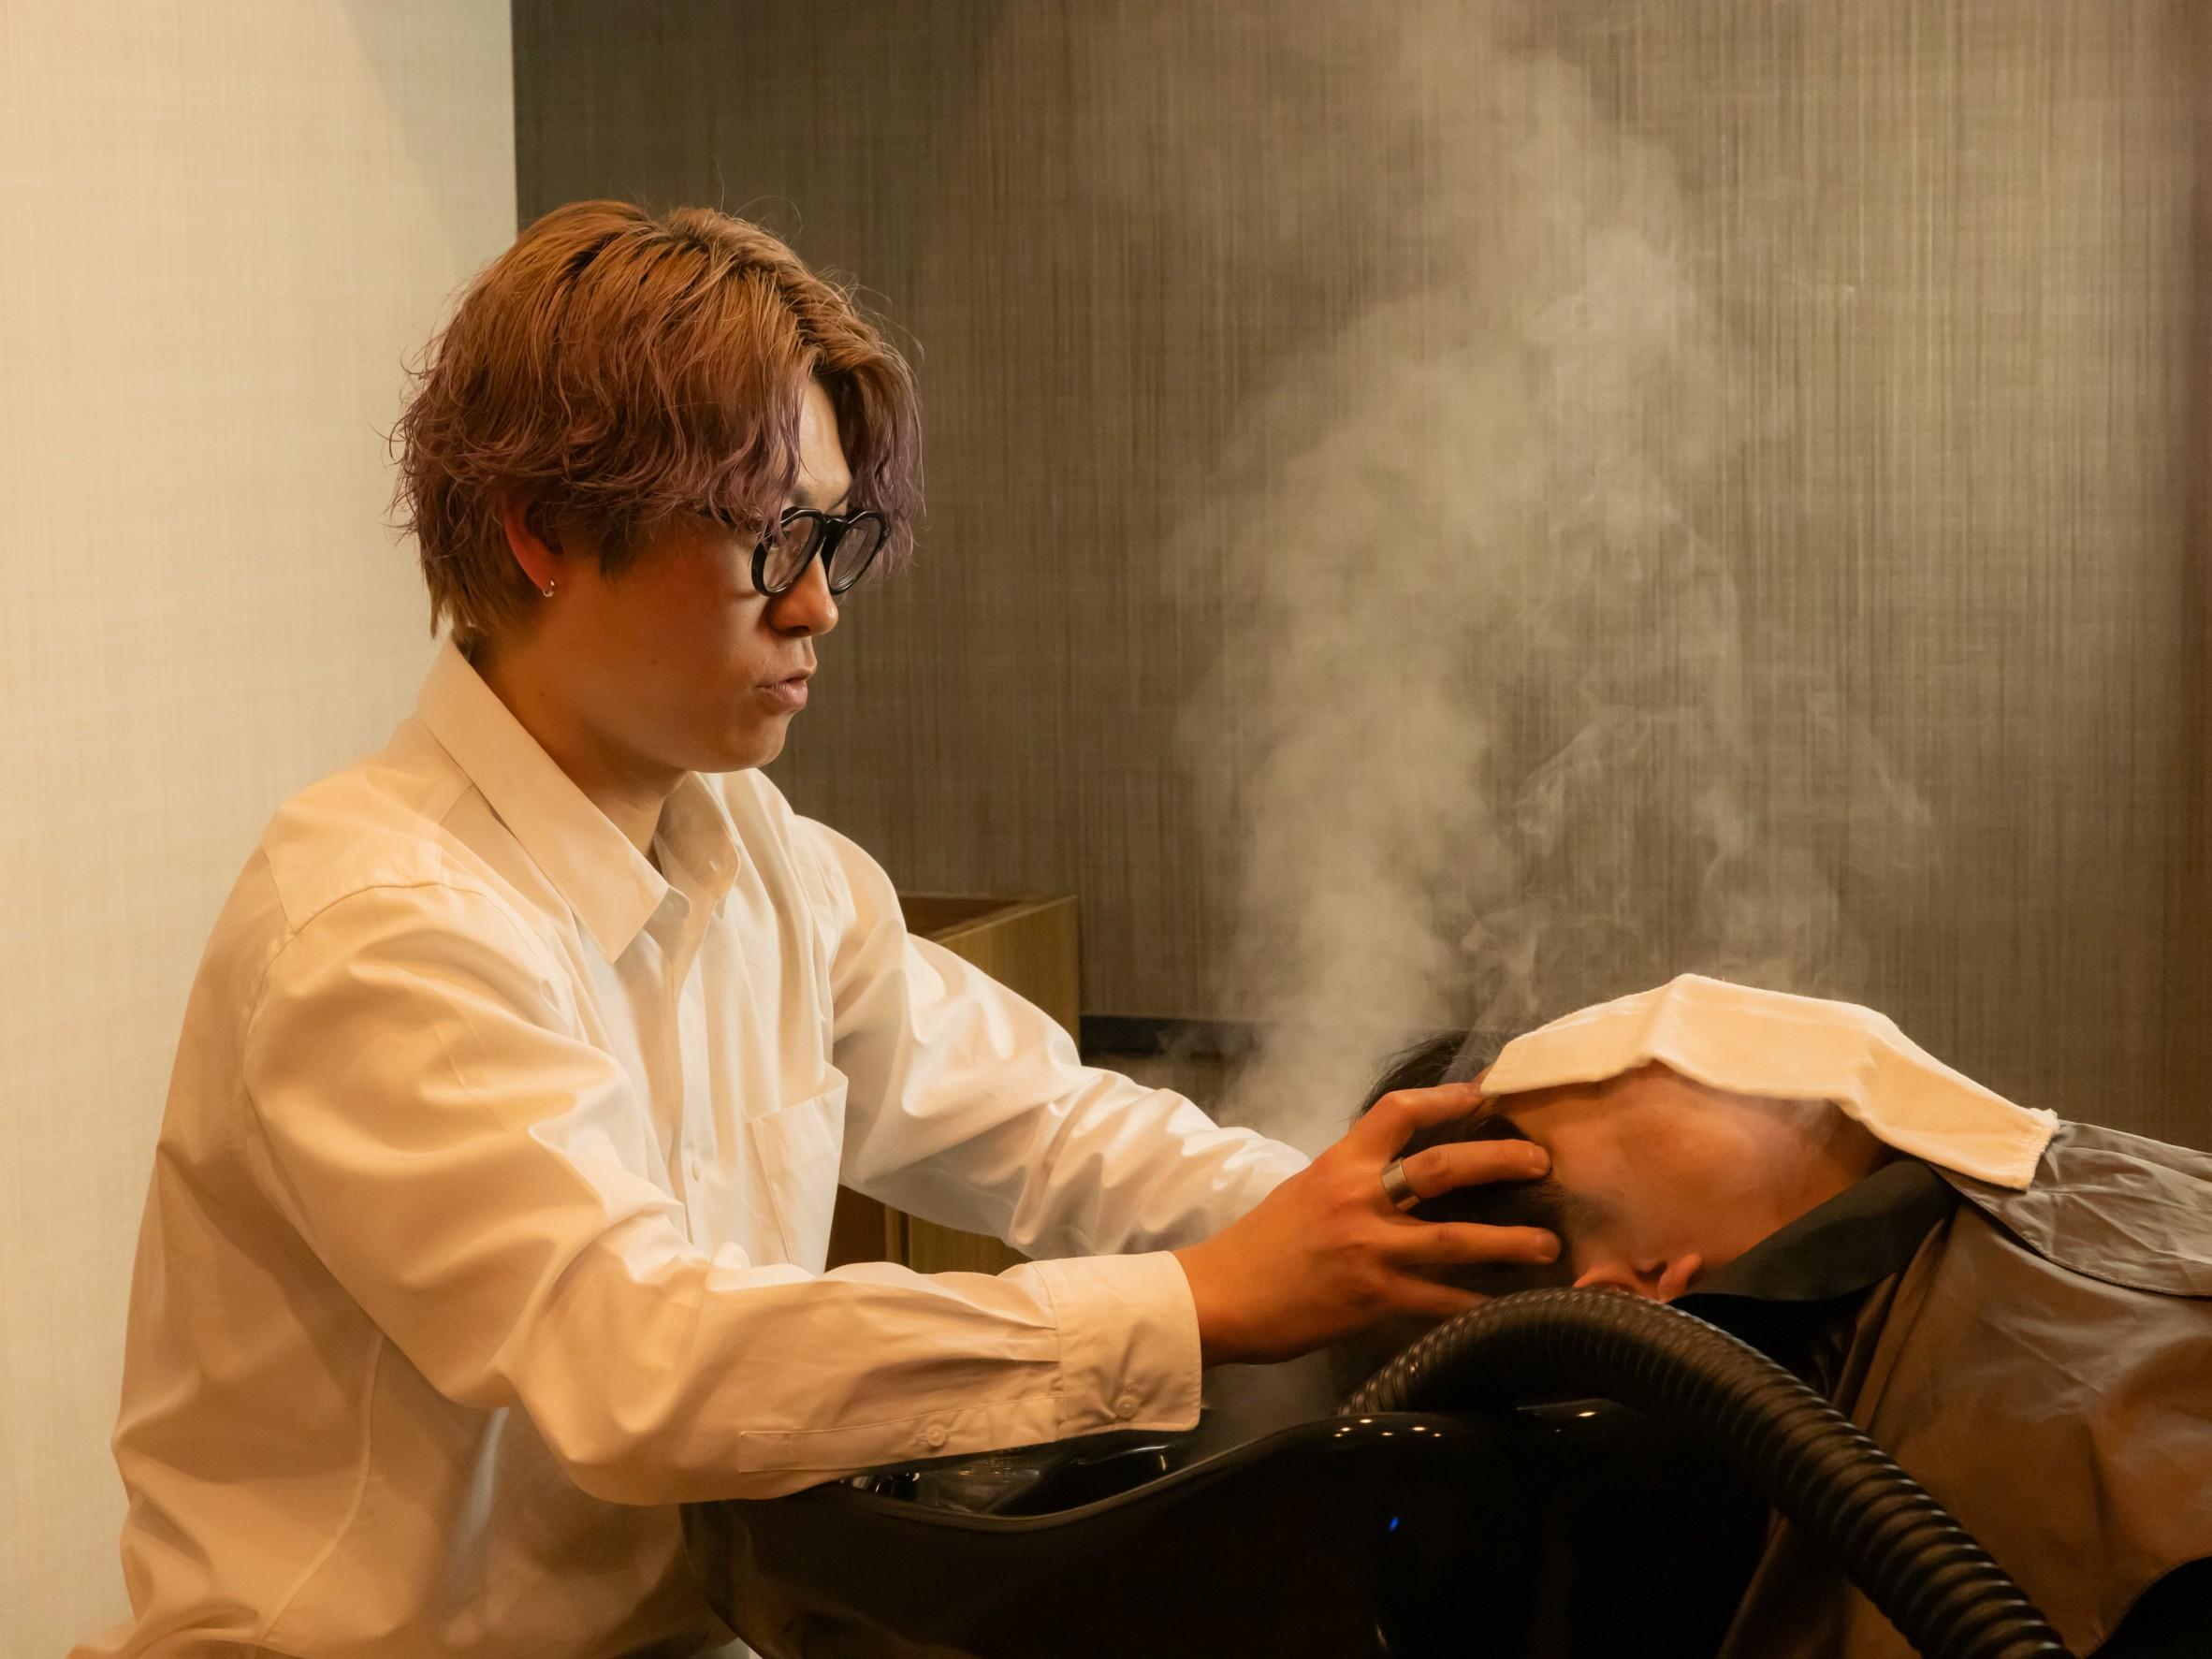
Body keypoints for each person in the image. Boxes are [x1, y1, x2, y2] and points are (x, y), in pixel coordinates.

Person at [76, 201, 1559, 1658]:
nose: (816, 608)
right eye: (767, 534)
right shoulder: (382, 927)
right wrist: (1192, 1305)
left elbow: (1047, 1127)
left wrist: (1375, 1222)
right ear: (543, 531)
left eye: (833, 536)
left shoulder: (756, 852)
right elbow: (643, 1359)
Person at [1361, 973, 2212, 1659]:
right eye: (1606, 1082)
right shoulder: (1985, 1431)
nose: (1659, 1038)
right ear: (1624, 1302)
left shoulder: (2016, 1209)